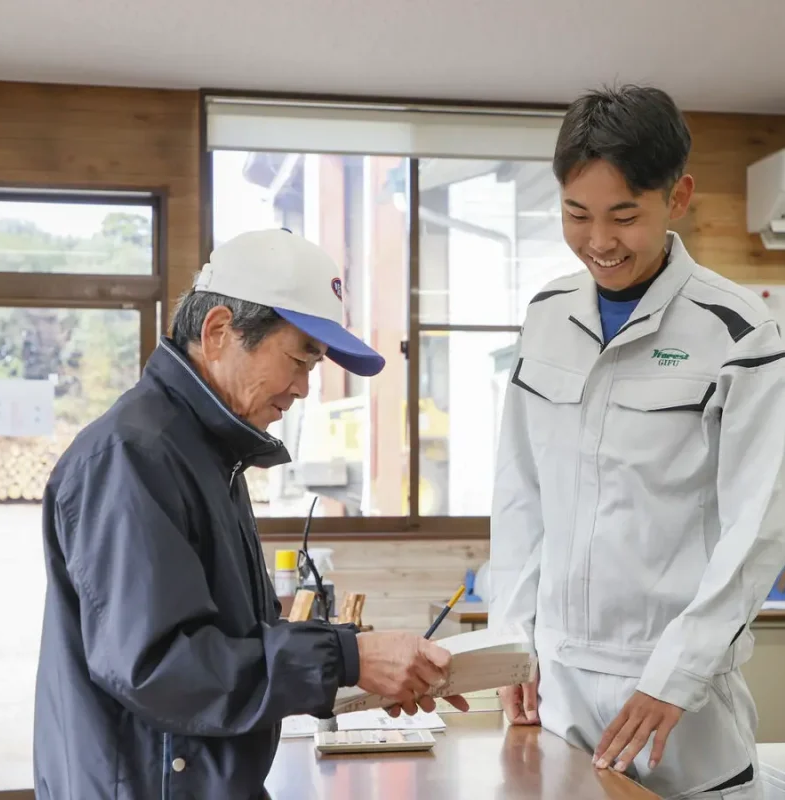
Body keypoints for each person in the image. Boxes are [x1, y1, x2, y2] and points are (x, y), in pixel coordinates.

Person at [33, 228, 468, 800]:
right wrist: (345, 657)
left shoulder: (209, 453)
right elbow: (161, 669)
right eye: (299, 359)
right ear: (218, 333)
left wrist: (363, 663)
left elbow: (219, 639)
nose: (304, 388)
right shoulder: (135, 456)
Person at [489, 85, 785, 799]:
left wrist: (677, 677)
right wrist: (512, 647)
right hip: (556, 689)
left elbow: (759, 527)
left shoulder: (738, 332)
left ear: (677, 197)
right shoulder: (546, 317)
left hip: (678, 701)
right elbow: (520, 496)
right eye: (576, 214)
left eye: (624, 216)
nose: (599, 241)